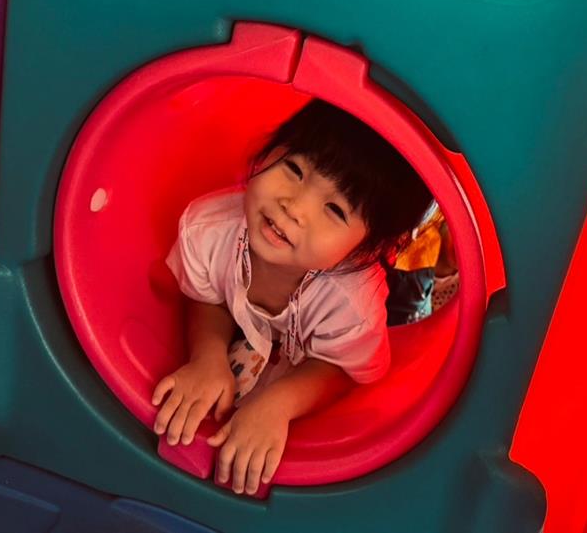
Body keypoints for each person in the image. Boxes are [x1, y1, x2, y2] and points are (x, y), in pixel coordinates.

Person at [151, 99, 432, 495]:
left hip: (381, 301)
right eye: (295, 169)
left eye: (335, 209)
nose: (294, 208)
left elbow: (342, 368)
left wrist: (278, 404)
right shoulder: (209, 230)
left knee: (407, 296)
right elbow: (207, 293)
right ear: (270, 150)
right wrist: (207, 357)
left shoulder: (352, 304)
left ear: (363, 249)